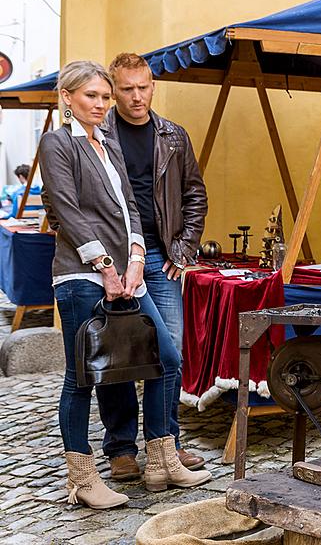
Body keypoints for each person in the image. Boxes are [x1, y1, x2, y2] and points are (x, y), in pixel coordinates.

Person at [39, 61, 210, 509]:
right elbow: (67, 209)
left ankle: (162, 458)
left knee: (167, 359)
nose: (101, 104)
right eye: (91, 96)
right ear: (67, 97)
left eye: (103, 97)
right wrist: (105, 265)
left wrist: (135, 261)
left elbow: (132, 207)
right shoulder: (58, 143)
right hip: (80, 276)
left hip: (128, 272)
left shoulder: (108, 143)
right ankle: (83, 479)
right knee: (82, 379)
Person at [93, 52, 208, 480]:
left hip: (161, 260)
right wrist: (103, 261)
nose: (136, 96)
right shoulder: (97, 135)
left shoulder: (173, 136)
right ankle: (121, 450)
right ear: (114, 88)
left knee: (168, 354)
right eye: (127, 89)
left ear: (153, 86)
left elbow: (196, 194)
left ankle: (167, 446)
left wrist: (182, 249)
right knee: (119, 353)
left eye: (143, 87)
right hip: (112, 260)